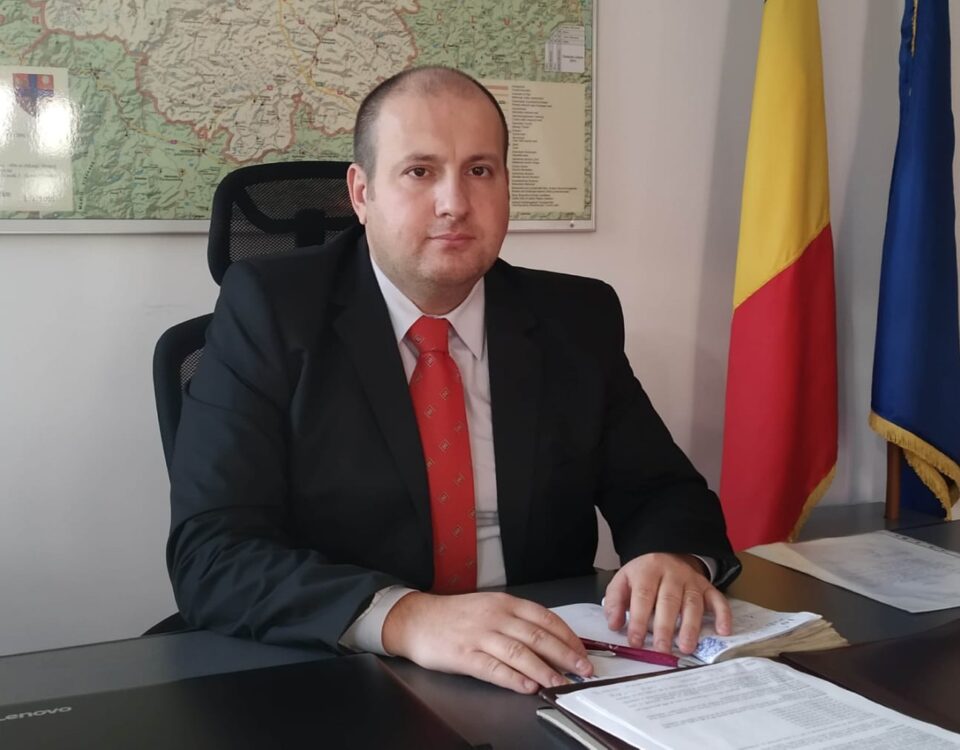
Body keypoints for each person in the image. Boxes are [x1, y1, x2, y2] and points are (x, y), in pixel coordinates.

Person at [168, 65, 740, 695]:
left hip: (544, 669)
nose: (455, 204)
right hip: (349, 672)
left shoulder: (574, 318)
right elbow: (213, 552)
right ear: (361, 193)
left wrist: (673, 559)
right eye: (420, 171)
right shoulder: (270, 312)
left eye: (480, 170)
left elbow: (662, 491)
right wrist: (407, 618)